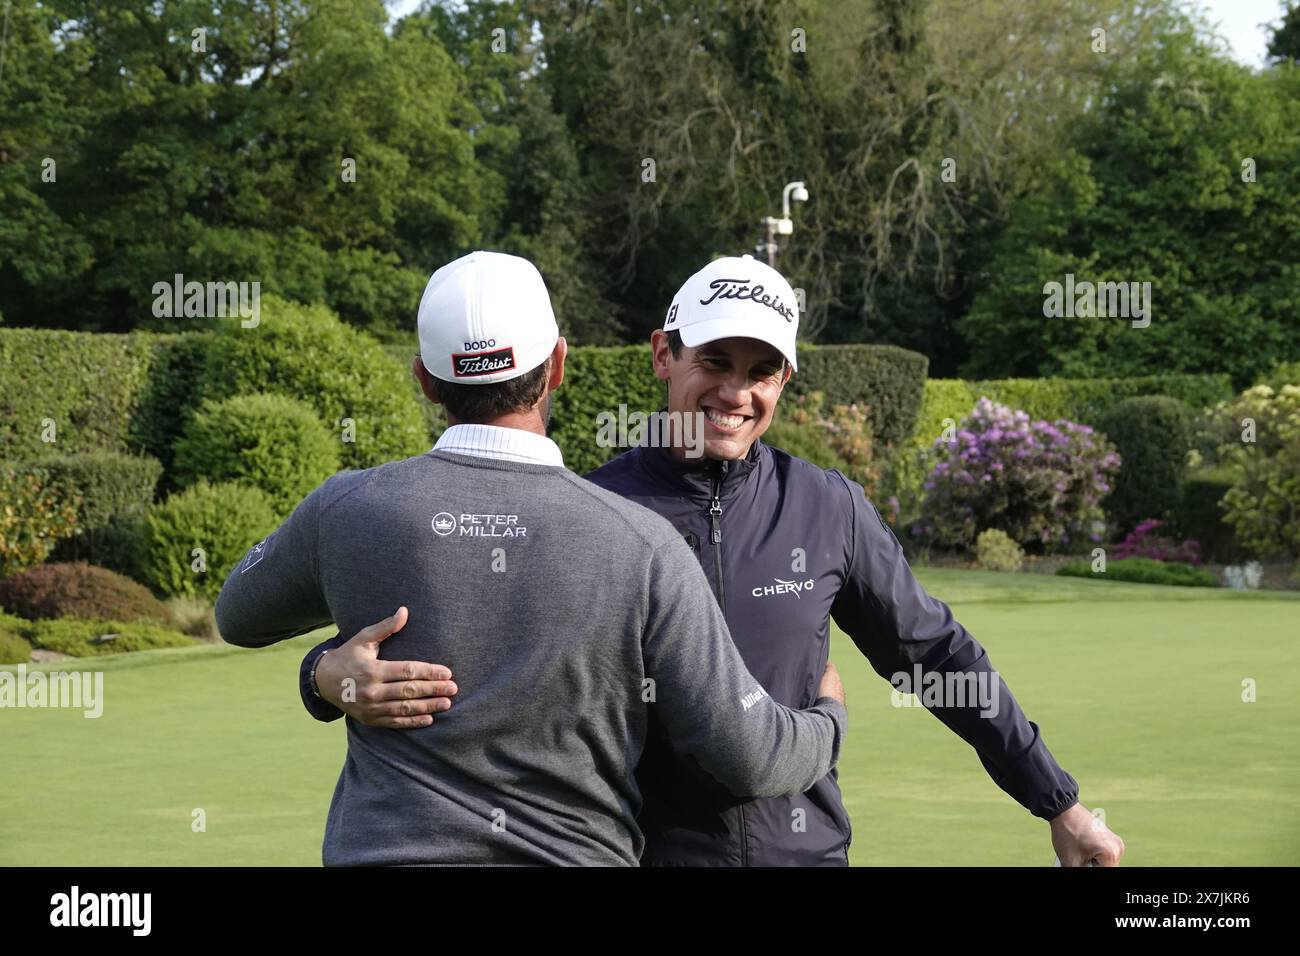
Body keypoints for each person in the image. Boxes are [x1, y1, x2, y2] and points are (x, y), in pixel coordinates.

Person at [298, 255, 1125, 868]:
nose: (738, 392)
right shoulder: (599, 512)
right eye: (715, 363)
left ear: (787, 380)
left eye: (763, 370)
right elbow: (470, 654)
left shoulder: (826, 505)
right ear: (663, 355)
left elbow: (935, 655)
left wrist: (1058, 802)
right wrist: (323, 677)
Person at [214, 251, 848, 866]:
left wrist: (324, 672)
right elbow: (753, 757)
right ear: (559, 366)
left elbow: (238, 614)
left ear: (425, 380)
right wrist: (830, 717)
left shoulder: (347, 507)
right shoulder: (643, 543)